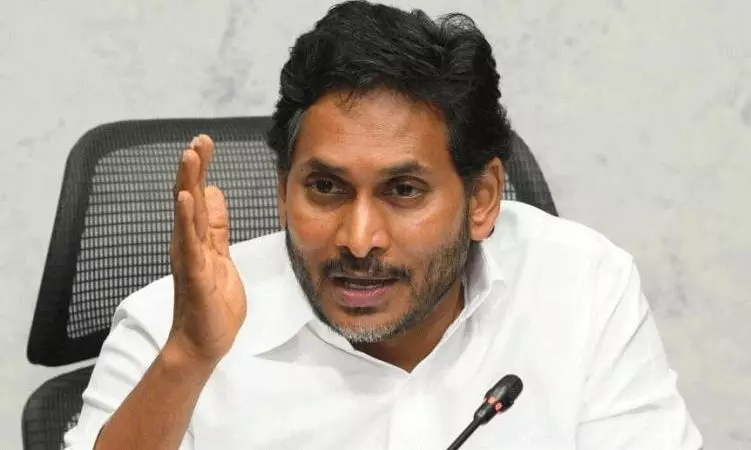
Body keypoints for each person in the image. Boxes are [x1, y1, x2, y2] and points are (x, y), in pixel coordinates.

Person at [64, 1, 703, 449]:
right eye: (325, 187)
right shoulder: (171, 326)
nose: (359, 238)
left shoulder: (585, 287)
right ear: (283, 190)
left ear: (481, 198)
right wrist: (188, 357)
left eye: (403, 191)